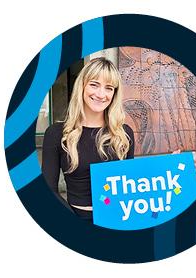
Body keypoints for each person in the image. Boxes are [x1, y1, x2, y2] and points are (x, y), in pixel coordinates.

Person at [41, 57, 135, 221]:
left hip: (119, 220)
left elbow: (132, 185)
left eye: (109, 88)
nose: (101, 94)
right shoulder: (56, 133)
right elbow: (48, 190)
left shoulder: (124, 134)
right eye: (94, 84)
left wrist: (167, 169)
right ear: (82, 86)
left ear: (114, 94)